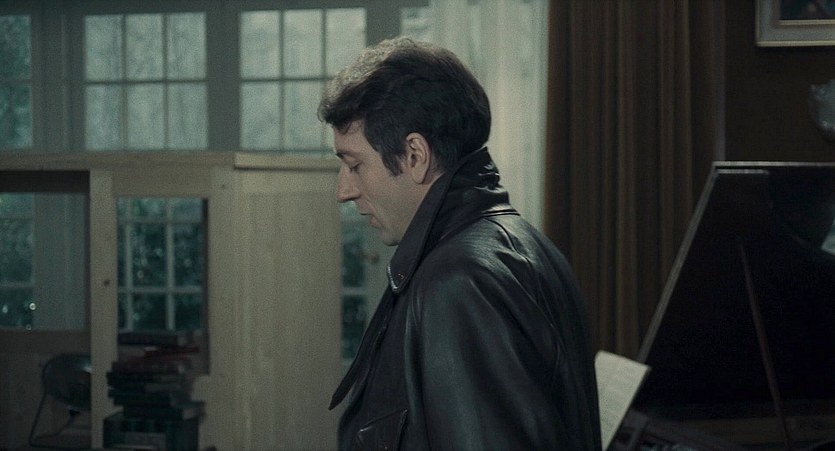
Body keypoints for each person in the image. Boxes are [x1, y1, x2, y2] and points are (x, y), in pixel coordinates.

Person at [319, 36, 601, 451]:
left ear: (415, 155)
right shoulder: (523, 244)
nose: (344, 191)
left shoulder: (458, 282)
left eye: (355, 165)